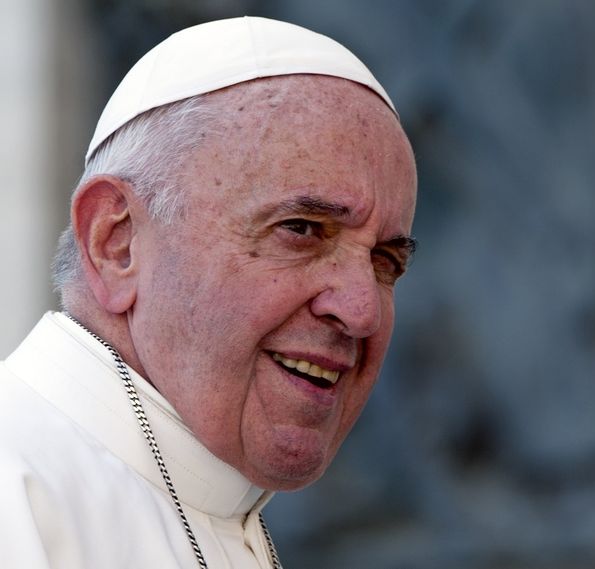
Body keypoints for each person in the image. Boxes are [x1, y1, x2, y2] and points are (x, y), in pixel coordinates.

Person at [0, 16, 417, 569]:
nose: (361, 309)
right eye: (302, 229)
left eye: (385, 261)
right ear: (116, 243)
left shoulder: (216, 501)